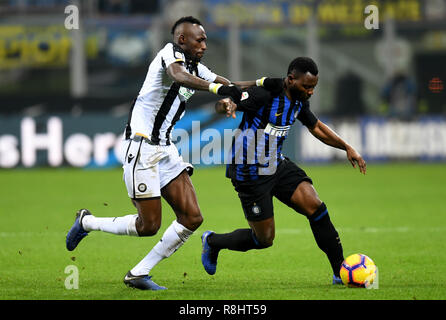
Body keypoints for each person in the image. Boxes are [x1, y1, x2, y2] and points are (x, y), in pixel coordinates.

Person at [65, 16, 255, 291]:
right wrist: (219, 90)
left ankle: (139, 273)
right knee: (148, 225)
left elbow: (228, 83)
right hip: (141, 146)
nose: (204, 44)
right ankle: (87, 222)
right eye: (199, 40)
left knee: (192, 218)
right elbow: (179, 76)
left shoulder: (197, 68)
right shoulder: (170, 54)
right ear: (182, 40)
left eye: (205, 40)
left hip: (165, 149)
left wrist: (259, 86)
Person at [201, 57, 367, 284]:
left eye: (313, 87)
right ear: (290, 79)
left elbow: (316, 127)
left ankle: (339, 271)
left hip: (276, 163)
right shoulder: (265, 95)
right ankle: (212, 242)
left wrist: (346, 147)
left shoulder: (299, 100)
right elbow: (227, 102)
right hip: (249, 171)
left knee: (316, 207)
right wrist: (226, 106)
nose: (310, 92)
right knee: (264, 239)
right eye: (307, 86)